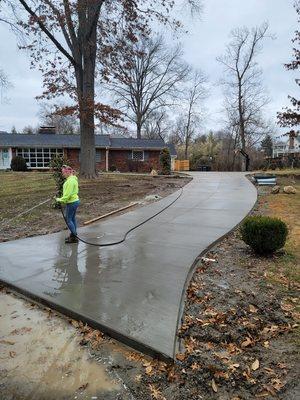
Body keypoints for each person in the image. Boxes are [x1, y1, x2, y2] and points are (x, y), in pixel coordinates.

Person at [56, 165, 80, 244]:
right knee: (72, 218)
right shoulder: (73, 179)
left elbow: (67, 196)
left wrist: (58, 199)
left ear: (67, 172)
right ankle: (74, 235)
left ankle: (74, 236)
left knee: (68, 219)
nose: (62, 174)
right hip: (75, 201)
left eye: (63, 172)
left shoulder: (70, 181)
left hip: (71, 202)